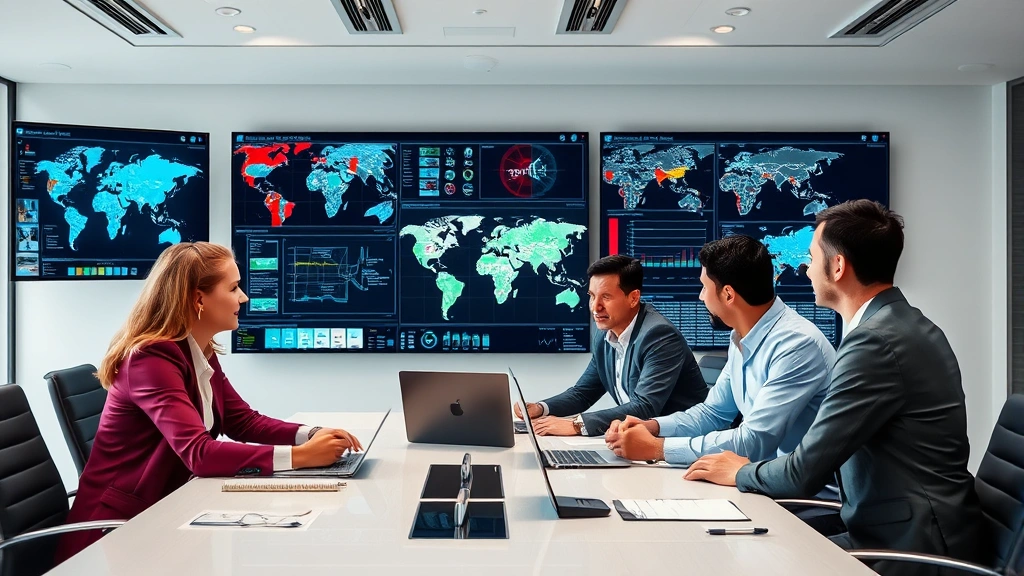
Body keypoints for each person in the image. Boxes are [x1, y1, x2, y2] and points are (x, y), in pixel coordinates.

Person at [684, 201, 984, 574]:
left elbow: (803, 472)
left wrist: (739, 471)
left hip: (913, 544)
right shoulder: (898, 324)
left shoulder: (875, 342)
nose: (807, 269)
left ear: (838, 266)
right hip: (900, 527)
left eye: (812, 258)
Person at [56, 242, 363, 563]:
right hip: (111, 538)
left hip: (162, 514)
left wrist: (310, 434)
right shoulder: (150, 359)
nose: (243, 297)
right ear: (198, 299)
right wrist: (301, 457)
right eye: (233, 288)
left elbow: (241, 420)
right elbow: (198, 454)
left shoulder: (197, 349)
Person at [604, 235, 836, 466]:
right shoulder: (742, 336)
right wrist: (652, 427)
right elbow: (713, 413)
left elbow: (754, 441)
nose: (701, 296)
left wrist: (657, 448)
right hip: (763, 477)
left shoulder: (796, 345)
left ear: (728, 294)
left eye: (704, 287)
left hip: (802, 487)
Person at [514, 255, 707, 436]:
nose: (595, 307)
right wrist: (540, 408)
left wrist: (577, 425)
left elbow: (645, 406)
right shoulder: (605, 333)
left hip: (680, 442)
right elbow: (583, 393)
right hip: (638, 440)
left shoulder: (659, 336)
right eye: (592, 296)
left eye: (606, 297)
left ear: (633, 298)